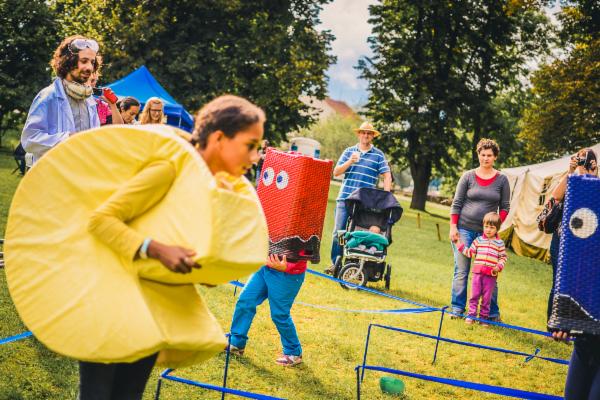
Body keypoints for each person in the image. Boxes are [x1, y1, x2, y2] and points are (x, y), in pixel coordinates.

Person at [6, 94, 268, 400]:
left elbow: (176, 231)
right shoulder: (170, 167)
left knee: (129, 395)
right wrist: (157, 249)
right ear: (220, 138)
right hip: (111, 298)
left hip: (150, 308)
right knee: (97, 395)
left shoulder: (211, 186)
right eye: (250, 145)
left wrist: (204, 268)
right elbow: (102, 220)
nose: (255, 157)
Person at [449, 138, 510, 321]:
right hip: (464, 229)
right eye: (482, 155)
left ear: (495, 157)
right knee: (462, 271)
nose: (485, 158)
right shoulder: (468, 176)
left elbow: (505, 207)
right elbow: (457, 203)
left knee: (489, 273)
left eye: (489, 155)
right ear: (478, 155)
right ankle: (457, 309)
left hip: (488, 236)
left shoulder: (502, 179)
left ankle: (491, 314)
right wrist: (453, 227)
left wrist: (494, 227)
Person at [21, 35, 102, 164]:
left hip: (83, 170)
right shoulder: (48, 96)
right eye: (84, 61)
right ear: (68, 62)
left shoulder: (88, 99)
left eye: (92, 62)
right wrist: (67, 139)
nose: (89, 68)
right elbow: (29, 140)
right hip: (54, 172)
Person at [326, 121, 392, 274]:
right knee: (338, 233)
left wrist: (386, 196)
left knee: (360, 232)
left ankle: (356, 264)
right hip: (345, 198)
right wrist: (350, 161)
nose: (366, 135)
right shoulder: (349, 151)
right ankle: (335, 263)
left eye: (369, 133)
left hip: (365, 203)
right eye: (363, 132)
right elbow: (336, 172)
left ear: (373, 136)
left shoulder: (378, 155)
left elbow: (387, 176)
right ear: (359, 134)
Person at [545, 148, 598, 320]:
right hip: (562, 240)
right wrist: (571, 171)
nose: (581, 163)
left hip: (583, 243)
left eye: (585, 160)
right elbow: (556, 196)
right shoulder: (571, 179)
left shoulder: (594, 184)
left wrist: (593, 174)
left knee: (579, 284)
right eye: (579, 159)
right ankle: (553, 322)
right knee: (558, 283)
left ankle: (570, 323)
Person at [229, 251, 308, 367]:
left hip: (287, 274)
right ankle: (236, 343)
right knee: (245, 301)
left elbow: (310, 248)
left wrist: (288, 266)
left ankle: (293, 352)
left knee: (279, 314)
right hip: (264, 266)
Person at [456, 212, 507, 325]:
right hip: (477, 274)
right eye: (486, 226)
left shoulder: (500, 243)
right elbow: (470, 253)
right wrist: (459, 245)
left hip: (490, 276)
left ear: (497, 229)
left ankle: (483, 318)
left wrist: (498, 266)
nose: (488, 230)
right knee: (474, 296)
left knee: (487, 298)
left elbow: (503, 257)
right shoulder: (478, 240)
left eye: (492, 227)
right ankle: (471, 316)